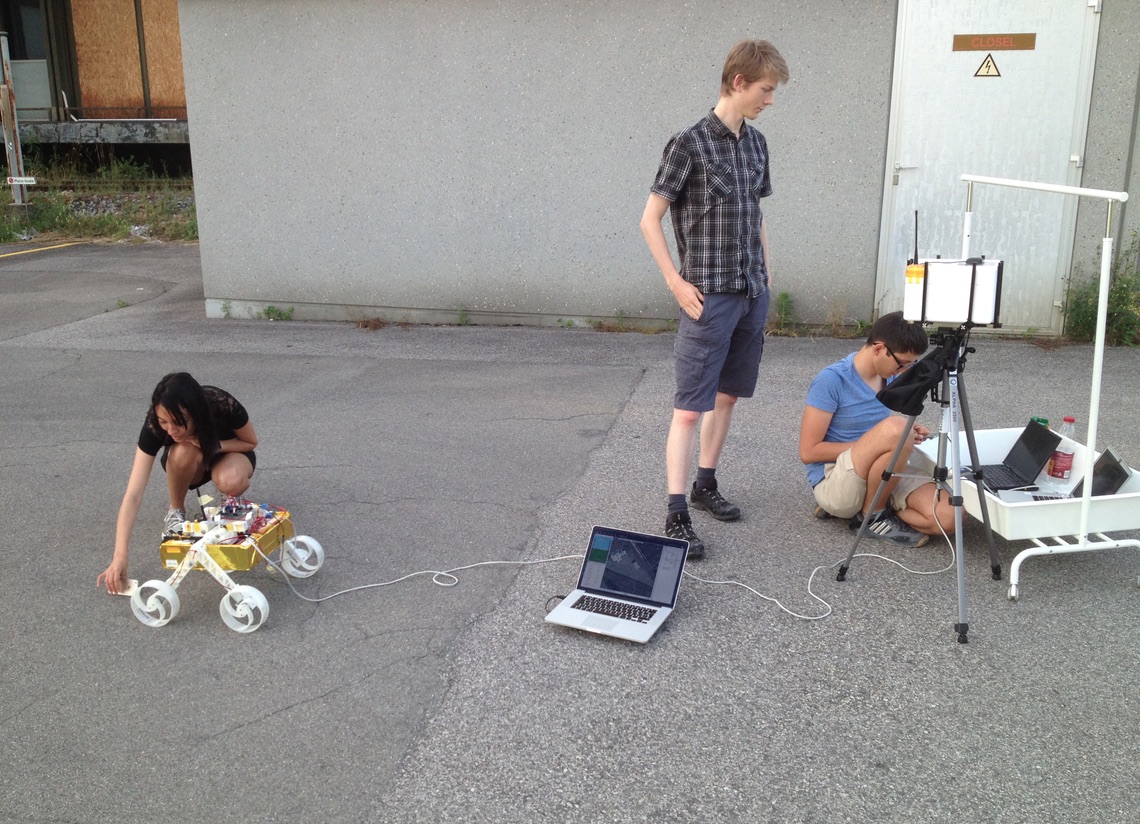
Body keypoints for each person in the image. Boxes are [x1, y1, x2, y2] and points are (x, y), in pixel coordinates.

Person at [640, 39, 790, 559]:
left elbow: (757, 213)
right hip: (708, 297)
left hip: (751, 293)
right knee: (689, 409)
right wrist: (675, 283)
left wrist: (767, 273)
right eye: (766, 90)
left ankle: (706, 484)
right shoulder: (688, 144)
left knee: (727, 397)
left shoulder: (758, 144)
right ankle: (676, 510)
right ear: (738, 82)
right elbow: (649, 219)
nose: (770, 100)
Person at [799, 311, 954, 547]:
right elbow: (808, 452)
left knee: (950, 518)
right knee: (896, 431)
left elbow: (885, 433)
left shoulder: (888, 376)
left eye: (910, 365)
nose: (903, 371)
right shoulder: (831, 380)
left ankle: (870, 508)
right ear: (880, 349)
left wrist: (900, 436)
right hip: (835, 481)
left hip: (881, 469)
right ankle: (872, 515)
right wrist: (880, 441)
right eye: (902, 363)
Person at [97, 372, 258, 593]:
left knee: (231, 480)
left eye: (178, 422)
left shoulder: (220, 403)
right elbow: (133, 493)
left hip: (228, 450)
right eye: (164, 422)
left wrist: (212, 445)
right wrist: (119, 556)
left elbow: (250, 441)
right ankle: (176, 510)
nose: (170, 430)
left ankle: (228, 503)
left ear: (195, 413)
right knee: (183, 449)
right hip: (189, 463)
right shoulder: (155, 425)